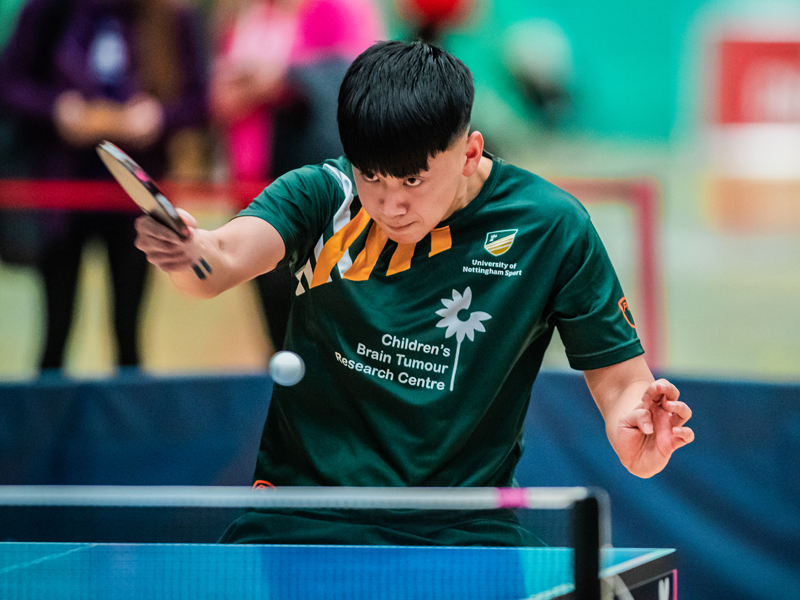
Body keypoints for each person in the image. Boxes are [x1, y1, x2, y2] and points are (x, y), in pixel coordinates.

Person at [135, 40, 694, 546]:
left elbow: (621, 378)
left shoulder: (549, 228)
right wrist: (188, 252)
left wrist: (634, 428)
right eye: (371, 176)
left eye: (412, 180)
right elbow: (222, 259)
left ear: (471, 152)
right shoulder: (322, 196)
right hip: (303, 520)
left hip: (466, 529)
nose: (390, 205)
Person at [0, 0, 208, 372]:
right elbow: (10, 84)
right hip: (62, 193)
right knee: (55, 330)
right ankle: (47, 423)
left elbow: (199, 99)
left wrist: (157, 118)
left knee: (129, 334)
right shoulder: (50, 11)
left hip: (136, 200)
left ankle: (128, 423)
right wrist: (57, 111)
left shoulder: (169, 15)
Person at [208, 0, 385, 350]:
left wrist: (284, 83)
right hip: (252, 184)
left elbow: (363, 78)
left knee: (328, 318)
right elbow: (215, 94)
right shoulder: (242, 15)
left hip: (320, 188)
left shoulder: (337, 10)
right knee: (277, 321)